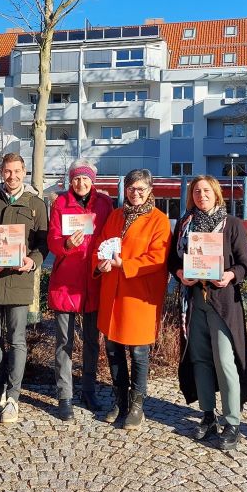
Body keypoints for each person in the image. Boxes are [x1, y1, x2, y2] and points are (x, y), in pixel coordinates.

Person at [169, 175, 247, 450]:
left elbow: (246, 263)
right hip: (193, 301)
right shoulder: (184, 224)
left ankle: (232, 421)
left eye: (206, 191)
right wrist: (181, 273)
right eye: (196, 191)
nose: (201, 195)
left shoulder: (231, 225)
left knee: (225, 361)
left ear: (216, 194)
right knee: (200, 360)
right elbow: (172, 260)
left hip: (223, 302)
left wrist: (230, 274)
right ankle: (207, 415)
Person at [0, 153, 49, 423]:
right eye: (7, 171)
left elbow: (43, 243)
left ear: (24, 172)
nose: (12, 176)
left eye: (17, 171)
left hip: (18, 281)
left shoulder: (36, 204)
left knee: (16, 340)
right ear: (1, 173)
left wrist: (32, 261)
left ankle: (13, 396)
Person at [92, 169, 170, 430]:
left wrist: (125, 264)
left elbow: (157, 258)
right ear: (124, 189)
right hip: (112, 293)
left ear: (149, 191)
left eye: (141, 189)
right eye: (131, 188)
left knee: (138, 351)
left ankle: (137, 405)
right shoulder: (115, 215)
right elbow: (101, 245)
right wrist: (100, 263)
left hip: (139, 295)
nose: (135, 193)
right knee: (113, 349)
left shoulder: (158, 220)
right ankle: (121, 400)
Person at [47, 158, 115, 421]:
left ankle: (88, 389)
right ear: (70, 180)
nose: (81, 183)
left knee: (90, 342)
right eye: (76, 178)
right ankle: (65, 395)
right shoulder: (60, 203)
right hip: (67, 280)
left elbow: (111, 236)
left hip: (95, 279)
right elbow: (52, 239)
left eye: (85, 178)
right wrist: (65, 243)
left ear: (92, 180)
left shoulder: (105, 204)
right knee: (63, 341)